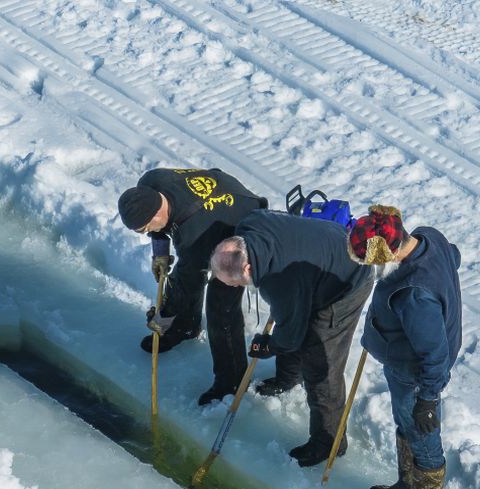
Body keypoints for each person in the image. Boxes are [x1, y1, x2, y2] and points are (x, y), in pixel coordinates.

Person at [210, 210, 372, 467]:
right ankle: (288, 378)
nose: (235, 287)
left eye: (236, 282)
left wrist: (268, 346)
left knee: (321, 360)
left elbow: (291, 337)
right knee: (292, 316)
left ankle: (328, 442)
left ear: (248, 267)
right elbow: (290, 316)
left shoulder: (279, 282)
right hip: (320, 258)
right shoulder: (249, 223)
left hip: (346, 279)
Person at [347, 205, 462, 489]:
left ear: (388, 252)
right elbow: (452, 257)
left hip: (416, 375)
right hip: (402, 363)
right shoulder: (429, 237)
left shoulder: (415, 294)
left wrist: (429, 398)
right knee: (403, 423)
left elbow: (434, 353)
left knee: (423, 436)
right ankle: (407, 486)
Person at [117, 168, 267, 406]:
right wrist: (160, 253)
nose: (147, 234)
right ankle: (186, 327)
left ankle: (233, 381)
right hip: (215, 208)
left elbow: (188, 283)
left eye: (146, 229)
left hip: (243, 223)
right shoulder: (150, 183)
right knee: (188, 274)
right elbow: (162, 231)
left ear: (157, 212)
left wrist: (163, 317)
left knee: (220, 305)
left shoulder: (195, 237)